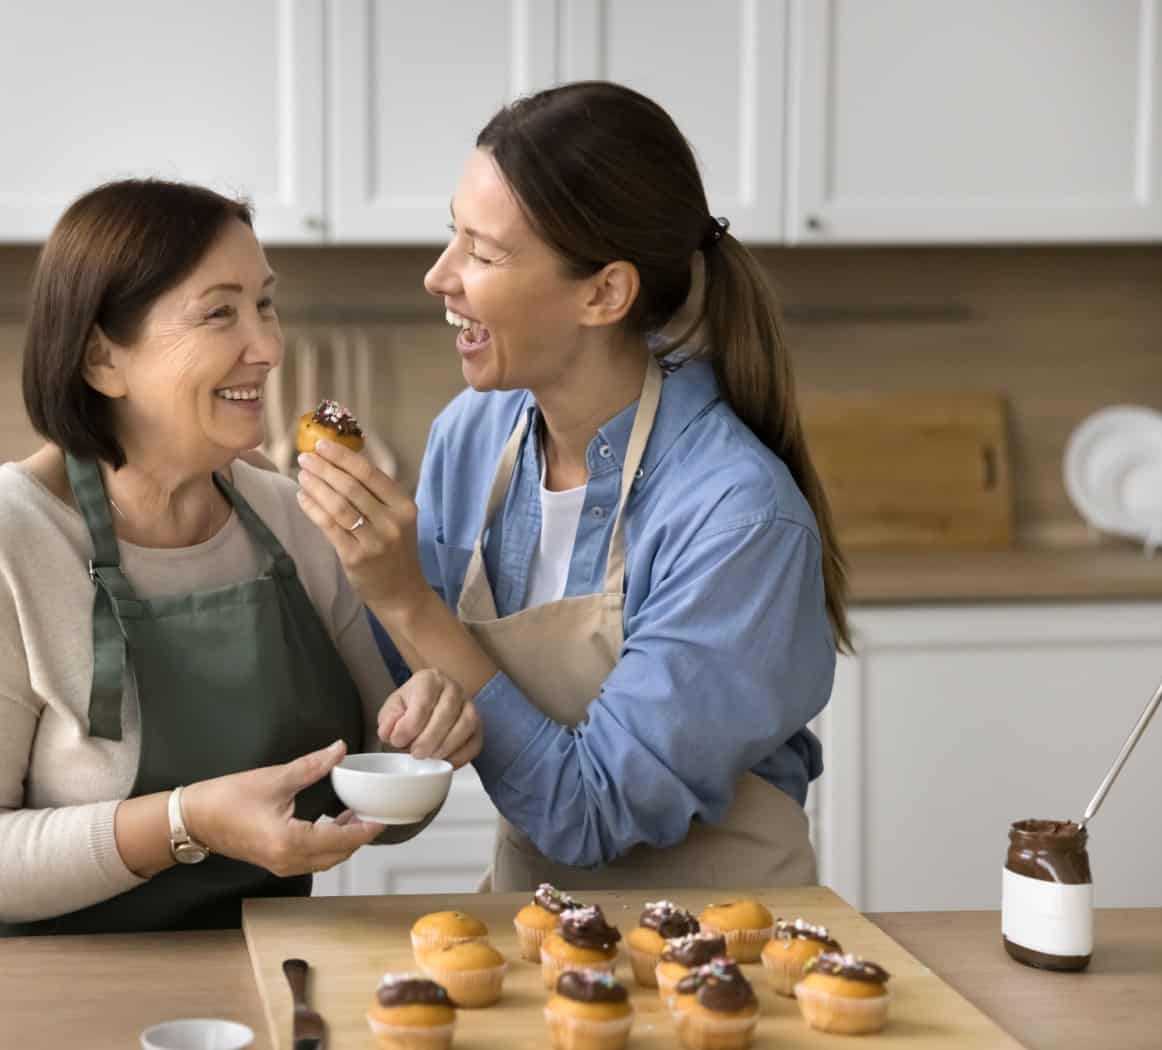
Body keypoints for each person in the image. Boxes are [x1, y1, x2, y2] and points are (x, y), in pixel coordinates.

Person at [0, 179, 481, 935]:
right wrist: (184, 822)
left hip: (256, 970)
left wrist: (421, 742)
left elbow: (375, 803)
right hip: (34, 986)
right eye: (219, 313)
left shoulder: (291, 518)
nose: (268, 348)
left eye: (265, 305)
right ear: (102, 359)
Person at [294, 81, 848, 891]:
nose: (439, 276)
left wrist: (403, 597)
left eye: (483, 253)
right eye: (452, 236)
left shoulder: (738, 517)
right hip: (534, 912)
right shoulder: (472, 436)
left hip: (726, 933)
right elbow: (416, 702)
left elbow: (587, 811)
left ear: (604, 293)